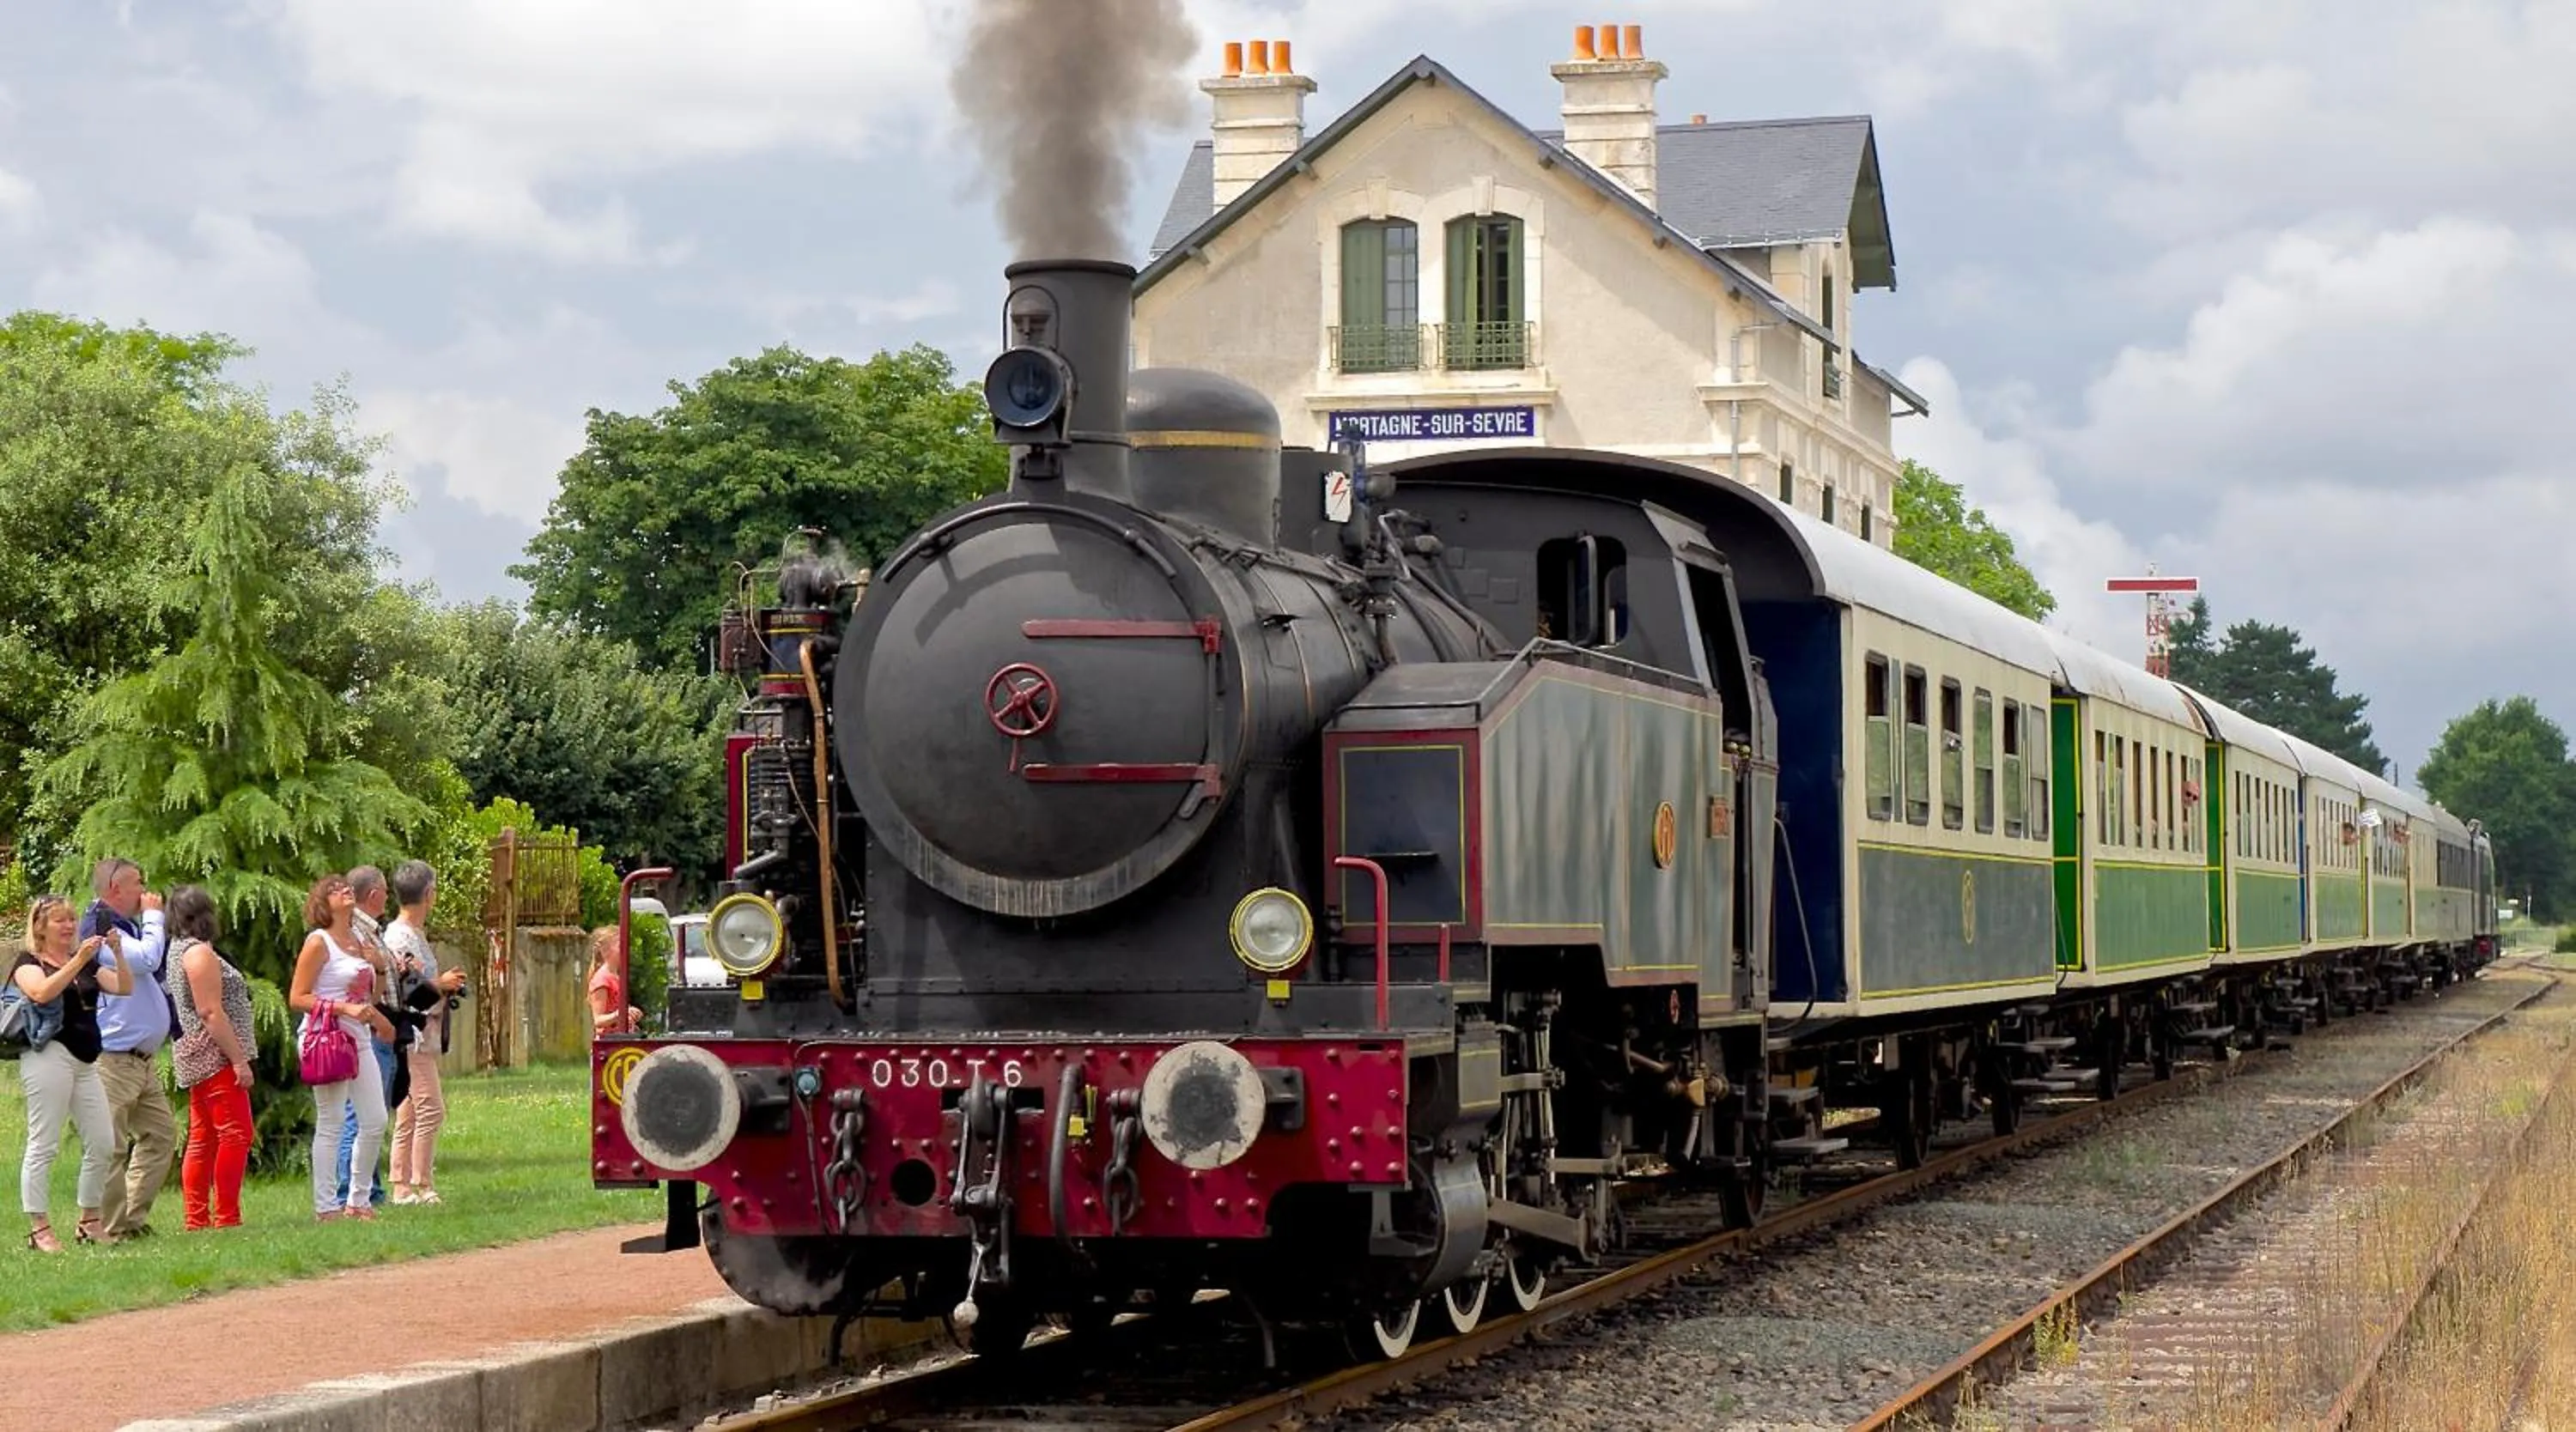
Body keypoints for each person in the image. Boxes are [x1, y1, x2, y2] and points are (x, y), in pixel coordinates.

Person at [13, 894, 134, 1251]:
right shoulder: (28, 962)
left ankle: (90, 1221)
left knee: (102, 1141)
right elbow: (40, 992)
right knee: (44, 1143)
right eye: (59, 921)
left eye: (71, 920)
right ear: (40, 927)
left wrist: (118, 953)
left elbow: (123, 987)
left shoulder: (86, 962)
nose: (68, 926)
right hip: (49, 1055)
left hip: (85, 1061)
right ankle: (39, 1227)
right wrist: (77, 960)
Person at [289, 875, 395, 1222]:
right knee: (332, 1120)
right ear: (322, 904)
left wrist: (378, 970)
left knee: (375, 1119)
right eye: (334, 890)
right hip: (327, 1038)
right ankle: (325, 1206)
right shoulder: (318, 942)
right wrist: (344, 1010)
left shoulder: (359, 939)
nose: (344, 891)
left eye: (345, 886)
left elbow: (368, 997)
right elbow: (297, 997)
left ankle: (358, 1200)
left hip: (358, 1038)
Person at [84, 857, 173, 1241]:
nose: (146, 891)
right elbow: (147, 959)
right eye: (138, 883)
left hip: (142, 1061)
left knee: (161, 1134)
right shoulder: (100, 927)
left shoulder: (126, 926)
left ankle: (131, 1220)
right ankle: (110, 1227)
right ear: (115, 889)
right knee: (112, 1145)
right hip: (115, 1059)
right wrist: (155, 918)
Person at [164, 885, 255, 1231]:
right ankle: (227, 1217)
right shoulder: (198, 953)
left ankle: (196, 1219)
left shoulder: (178, 949)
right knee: (235, 1133)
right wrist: (239, 1059)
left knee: (204, 1137)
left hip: (196, 1052)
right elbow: (210, 1011)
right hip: (214, 1054)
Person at [383, 861, 465, 1204]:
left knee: (411, 1110)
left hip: (423, 1033)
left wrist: (443, 985)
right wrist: (439, 984)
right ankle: (420, 1184)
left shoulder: (412, 935)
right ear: (429, 894)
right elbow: (406, 987)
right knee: (431, 1108)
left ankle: (402, 1183)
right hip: (412, 1033)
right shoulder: (400, 936)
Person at [333, 865, 402, 1210]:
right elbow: (358, 985)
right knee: (357, 1116)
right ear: (373, 894)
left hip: (376, 1025)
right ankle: (353, 1190)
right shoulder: (358, 932)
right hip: (367, 1028)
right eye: (385, 891)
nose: (388, 897)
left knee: (370, 1116)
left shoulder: (368, 931)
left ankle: (366, 1190)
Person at [587, 926, 643, 1038]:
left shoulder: (616, 977)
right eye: (620, 946)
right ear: (605, 951)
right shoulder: (602, 980)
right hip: (607, 1042)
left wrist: (630, 1015)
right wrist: (619, 1014)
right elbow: (597, 1020)